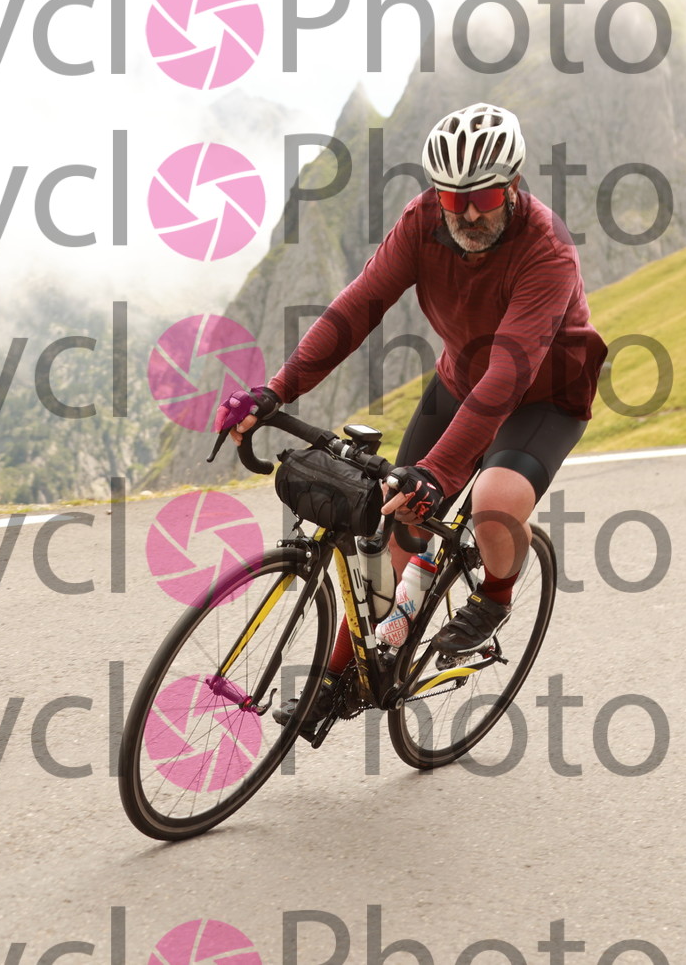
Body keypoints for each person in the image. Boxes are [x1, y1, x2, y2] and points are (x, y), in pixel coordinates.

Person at [214, 102, 609, 733]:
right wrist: (277, 390)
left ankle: (496, 596)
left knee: (494, 500)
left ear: (512, 186)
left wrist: (437, 472)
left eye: (484, 198)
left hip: (543, 394)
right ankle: (338, 682)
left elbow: (509, 373)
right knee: (397, 531)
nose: (468, 214)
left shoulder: (547, 249)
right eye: (453, 200)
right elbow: (357, 307)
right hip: (460, 380)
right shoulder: (421, 223)